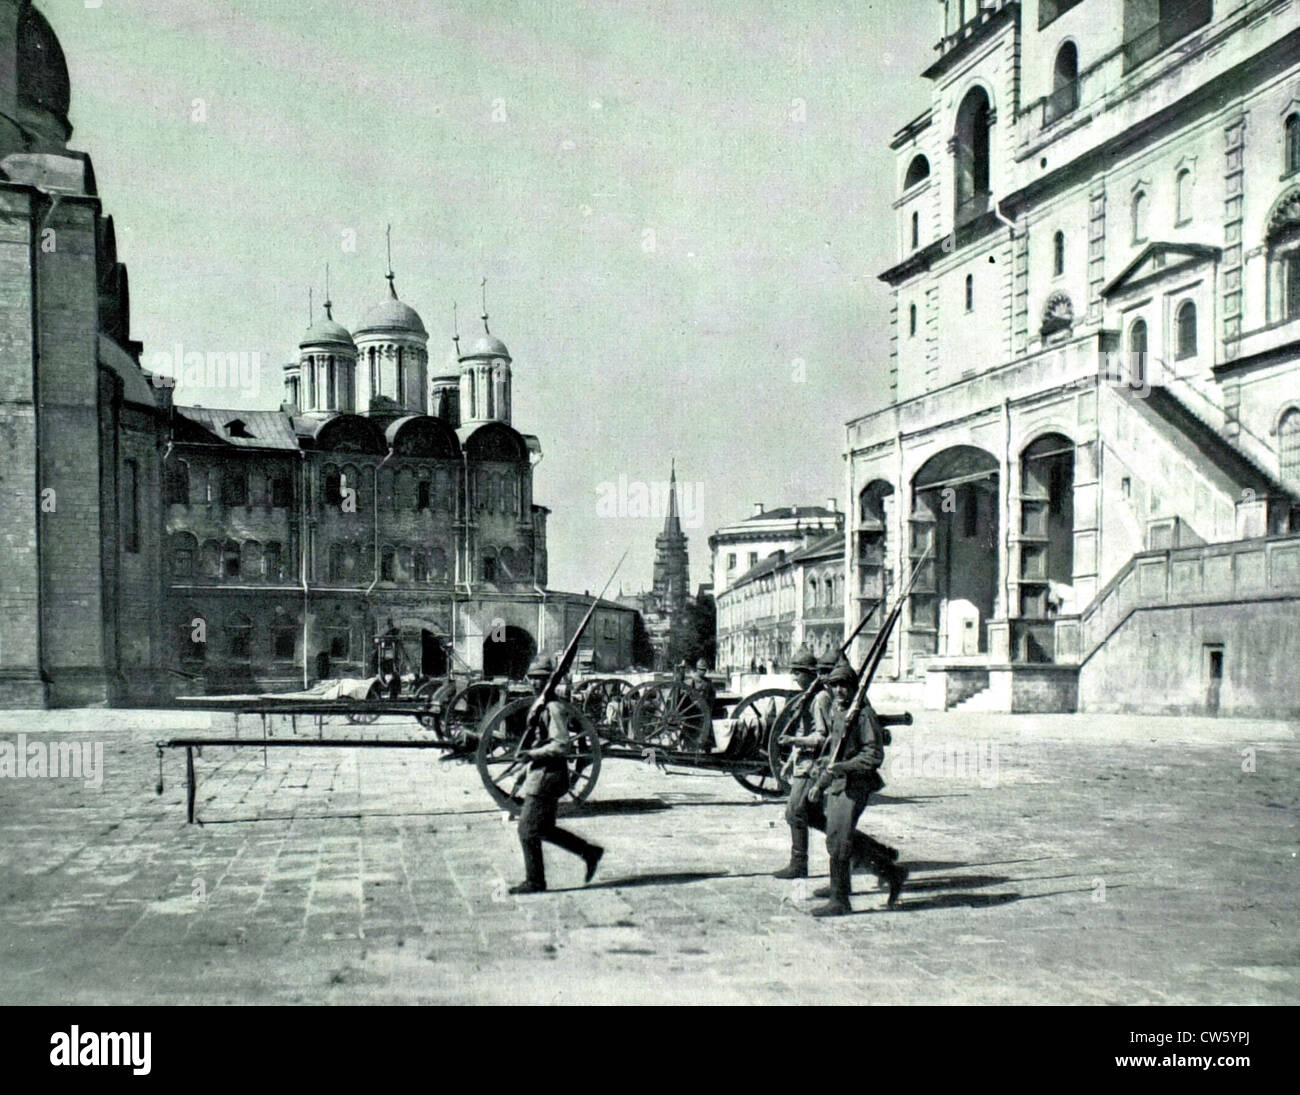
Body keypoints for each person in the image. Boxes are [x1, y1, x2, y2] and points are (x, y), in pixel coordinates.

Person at [772, 649, 897, 881]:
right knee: (827, 825)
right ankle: (876, 856)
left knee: (813, 819)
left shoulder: (827, 701)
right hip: (822, 768)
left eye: (798, 672)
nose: (833, 687)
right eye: (832, 682)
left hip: (827, 769)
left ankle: (823, 874)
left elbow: (826, 739)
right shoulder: (828, 703)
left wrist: (797, 745)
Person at [808, 662, 907, 917]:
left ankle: (839, 900)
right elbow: (833, 748)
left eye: (844, 686)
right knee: (836, 835)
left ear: (853, 687)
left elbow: (873, 755)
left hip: (857, 783)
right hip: (839, 782)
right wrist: (820, 779)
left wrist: (843, 767)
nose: (840, 691)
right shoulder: (837, 710)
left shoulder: (863, 714)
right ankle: (891, 873)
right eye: (835, 686)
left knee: (839, 838)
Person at [509, 656, 604, 894]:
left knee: (526, 830)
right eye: (532, 678)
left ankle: (535, 882)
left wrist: (531, 755)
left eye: (541, 679)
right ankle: (589, 852)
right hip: (542, 775)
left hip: (548, 778)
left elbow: (561, 745)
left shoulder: (554, 707)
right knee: (543, 829)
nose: (535, 683)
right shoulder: (541, 704)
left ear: (549, 680)